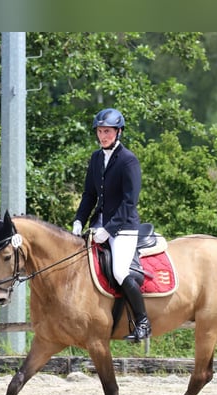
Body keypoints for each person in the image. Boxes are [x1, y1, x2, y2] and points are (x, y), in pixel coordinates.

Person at [71, 108, 151, 342]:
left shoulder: (128, 160)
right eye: (99, 131)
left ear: (118, 132)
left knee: (119, 271)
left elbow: (129, 201)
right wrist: (78, 220)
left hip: (124, 227)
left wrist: (110, 230)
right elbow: (89, 194)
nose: (102, 136)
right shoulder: (96, 158)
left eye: (107, 131)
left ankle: (143, 322)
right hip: (99, 225)